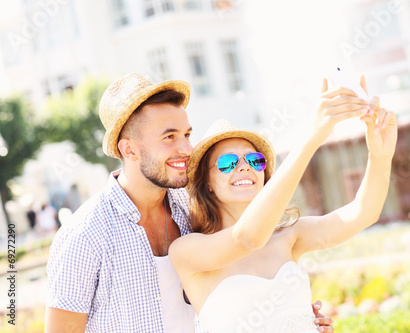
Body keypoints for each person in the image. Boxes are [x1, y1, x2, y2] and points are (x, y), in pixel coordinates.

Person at [45, 73, 335, 332]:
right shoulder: (84, 235)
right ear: (129, 149)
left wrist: (289, 317)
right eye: (169, 137)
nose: (185, 148)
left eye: (186, 134)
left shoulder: (192, 204)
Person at [169, 78, 398, 332]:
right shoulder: (187, 251)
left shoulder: (290, 236)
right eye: (227, 162)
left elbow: (363, 213)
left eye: (255, 160)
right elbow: (246, 238)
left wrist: (380, 155)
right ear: (208, 182)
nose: (244, 166)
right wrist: (311, 139)